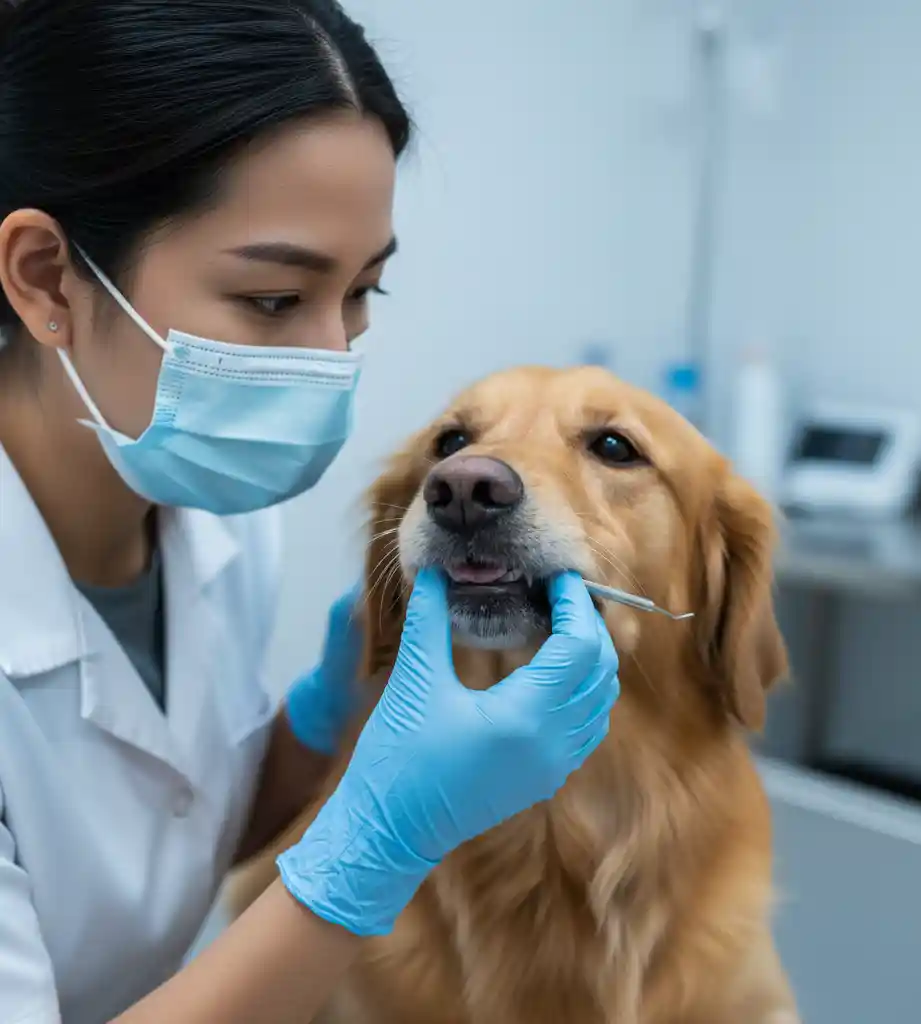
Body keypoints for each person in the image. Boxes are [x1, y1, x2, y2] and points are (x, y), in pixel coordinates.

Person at [0, 2, 621, 1022]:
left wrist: (324, 718)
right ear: (44, 277)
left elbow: (173, 830)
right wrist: (376, 844)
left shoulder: (215, 505)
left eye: (363, 292)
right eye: (275, 301)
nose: (331, 361)